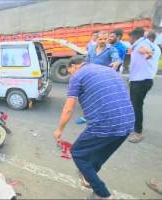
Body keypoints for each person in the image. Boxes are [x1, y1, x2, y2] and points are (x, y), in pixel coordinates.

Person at [54, 56, 134, 199]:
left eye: (70, 71)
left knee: (77, 152)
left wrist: (59, 130)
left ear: (73, 66)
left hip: (106, 124)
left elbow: (68, 108)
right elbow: (108, 96)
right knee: (100, 154)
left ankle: (103, 195)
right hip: (128, 122)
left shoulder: (77, 75)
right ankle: (88, 178)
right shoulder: (108, 70)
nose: (71, 74)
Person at [128, 27, 160, 143]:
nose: (129, 40)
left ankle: (138, 133)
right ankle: (135, 128)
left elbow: (146, 50)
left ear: (134, 36)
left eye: (130, 38)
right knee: (136, 105)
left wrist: (148, 53)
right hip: (145, 80)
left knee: (136, 107)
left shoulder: (141, 44)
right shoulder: (154, 46)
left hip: (139, 81)